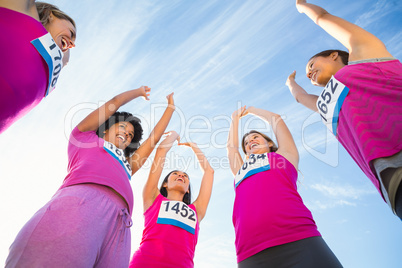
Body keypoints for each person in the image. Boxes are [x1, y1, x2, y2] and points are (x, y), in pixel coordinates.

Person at [6, 86, 175, 267]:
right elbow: (114, 103)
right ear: (105, 129)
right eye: (123, 127)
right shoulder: (84, 139)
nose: (127, 133)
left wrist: (170, 108)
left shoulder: (129, 165)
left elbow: (153, 139)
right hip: (83, 204)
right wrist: (138, 92)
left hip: (120, 224)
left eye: (131, 135)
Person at [286, 0, 402, 219]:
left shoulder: (364, 55)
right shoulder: (327, 105)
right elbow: (301, 98)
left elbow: (322, 17)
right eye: (307, 74)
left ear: (333, 55)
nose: (309, 73)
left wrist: (302, 5)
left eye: (311, 65)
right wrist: (290, 83)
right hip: (391, 180)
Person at [227, 106, 342, 268]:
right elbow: (231, 148)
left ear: (269, 143)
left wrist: (250, 110)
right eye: (246, 143)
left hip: (298, 239)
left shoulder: (283, 156)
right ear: (246, 152)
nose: (250, 141)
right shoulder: (240, 170)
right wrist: (235, 119)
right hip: (251, 251)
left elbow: (276, 119)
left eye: (255, 137)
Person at [129, 131, 214, 268]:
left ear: (188, 189)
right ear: (165, 184)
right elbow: (161, 150)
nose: (181, 175)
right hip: (145, 262)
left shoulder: (196, 210)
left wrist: (194, 146)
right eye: (175, 174)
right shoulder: (152, 198)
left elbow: (209, 172)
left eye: (185, 176)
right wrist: (175, 135)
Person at [0, 0, 76, 134]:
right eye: (71, 32)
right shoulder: (23, 13)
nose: (72, 44)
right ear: (50, 14)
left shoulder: (52, 68)